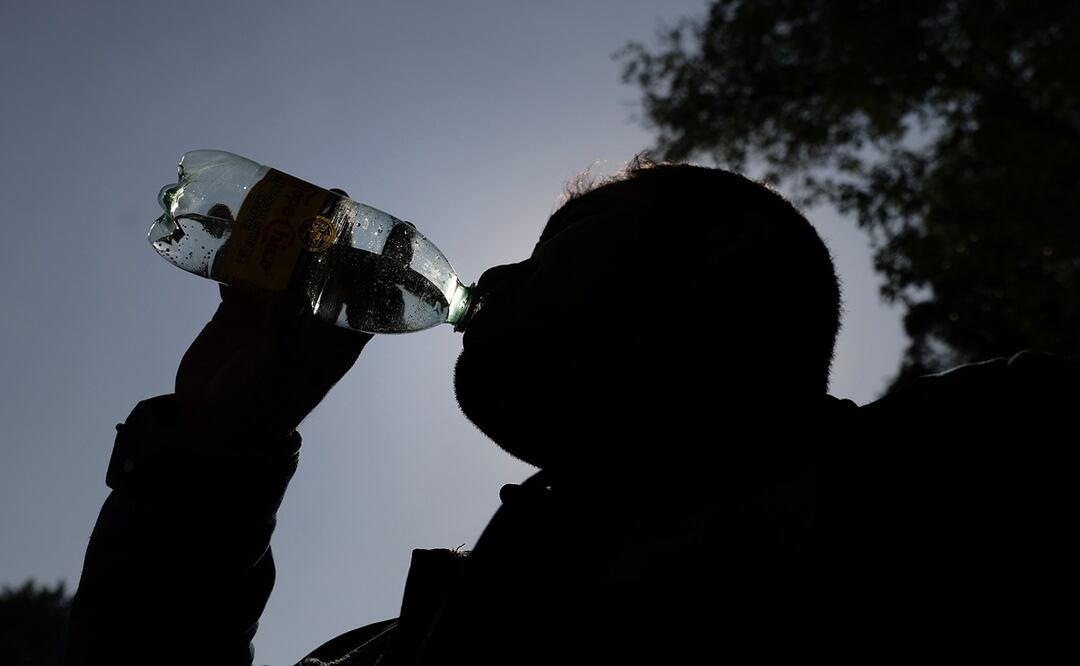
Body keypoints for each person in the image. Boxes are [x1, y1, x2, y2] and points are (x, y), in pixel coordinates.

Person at [62, 160, 1074, 664]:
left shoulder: (984, 473)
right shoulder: (421, 647)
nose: (497, 271)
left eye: (566, 242)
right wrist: (215, 446)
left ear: (720, 276)